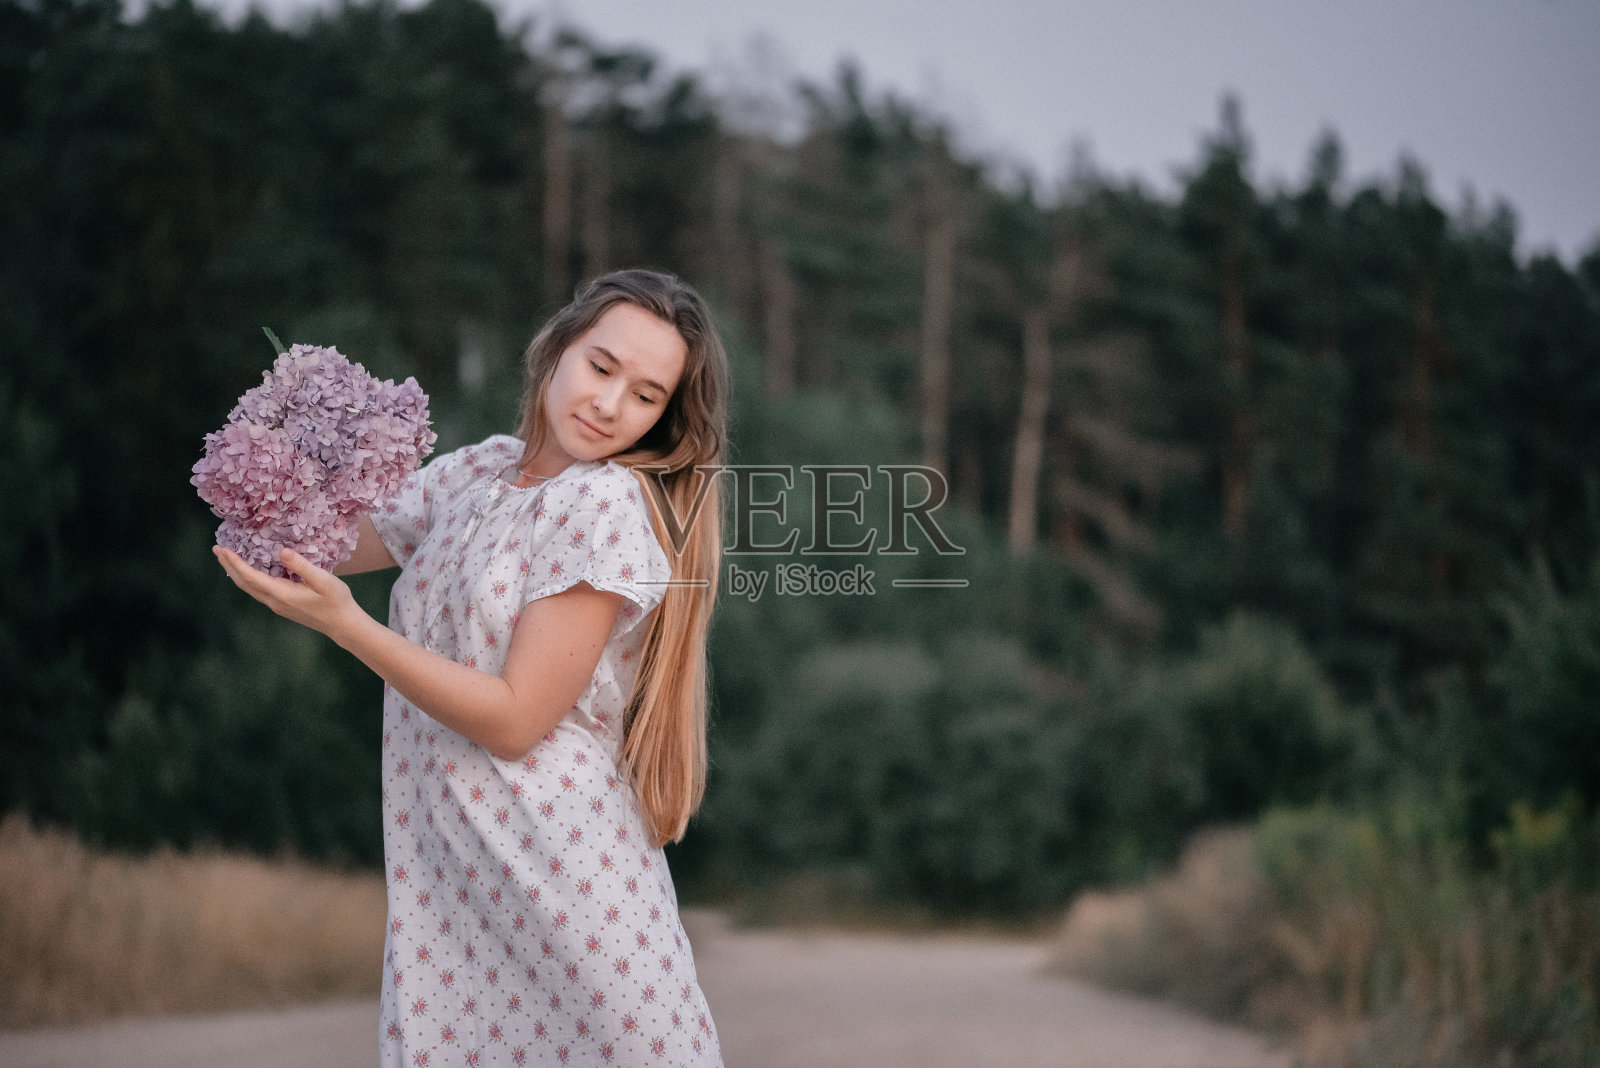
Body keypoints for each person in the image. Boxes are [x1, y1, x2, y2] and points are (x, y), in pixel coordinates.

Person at [213, 268, 728, 1067]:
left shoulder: (601, 503)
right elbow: (318, 548)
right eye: (601, 366)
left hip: (562, 878)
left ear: (663, 418)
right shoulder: (480, 472)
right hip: (457, 880)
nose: (608, 403)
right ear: (558, 348)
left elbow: (518, 720)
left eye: (645, 395)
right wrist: (292, 427)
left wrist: (347, 627)